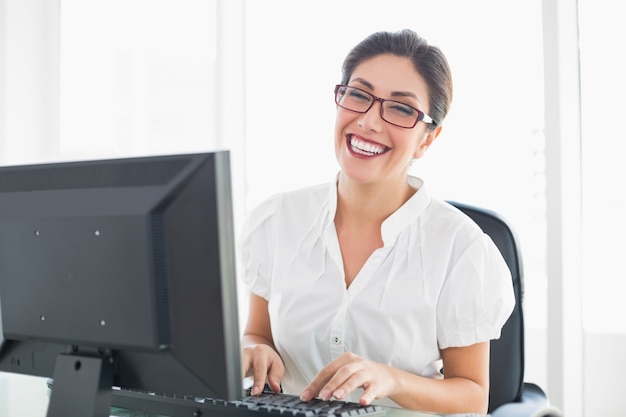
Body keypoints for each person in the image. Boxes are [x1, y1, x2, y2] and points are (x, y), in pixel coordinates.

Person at [238, 28, 515, 415]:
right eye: (358, 95)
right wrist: (256, 349)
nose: (369, 121)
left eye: (401, 109)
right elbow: (258, 332)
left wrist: (393, 379)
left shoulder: (461, 248)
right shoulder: (277, 220)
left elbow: (472, 396)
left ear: (427, 139)